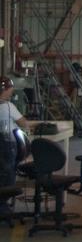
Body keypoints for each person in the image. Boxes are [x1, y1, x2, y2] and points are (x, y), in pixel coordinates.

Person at [0, 77, 33, 216]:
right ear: (6, 90)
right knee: (8, 174)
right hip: (7, 145)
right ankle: (2, 206)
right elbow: (23, 123)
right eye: (10, 88)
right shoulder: (8, 106)